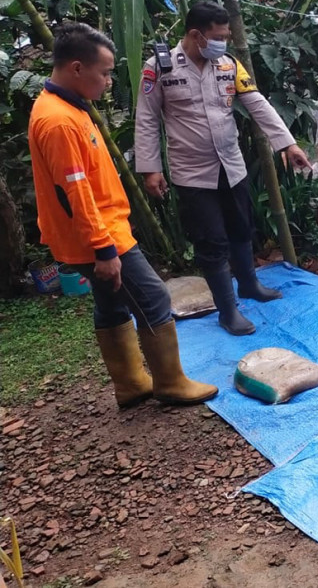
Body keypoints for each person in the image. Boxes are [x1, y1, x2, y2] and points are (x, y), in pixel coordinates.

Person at [28, 22, 218, 408]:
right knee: (152, 298)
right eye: (105, 72)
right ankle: (170, 382)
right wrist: (103, 250)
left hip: (96, 231)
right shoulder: (59, 120)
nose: (109, 82)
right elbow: (75, 193)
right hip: (98, 236)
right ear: (77, 68)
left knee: (112, 302)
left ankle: (131, 383)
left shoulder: (68, 106)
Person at [134, 0, 311, 336]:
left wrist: (287, 144)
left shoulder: (228, 64)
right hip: (192, 174)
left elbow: (256, 103)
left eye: (227, 37)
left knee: (241, 228)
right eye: (219, 37)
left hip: (231, 165)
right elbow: (145, 120)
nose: (223, 43)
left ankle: (249, 284)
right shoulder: (161, 67)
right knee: (212, 242)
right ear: (196, 35)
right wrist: (150, 169)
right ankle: (228, 311)